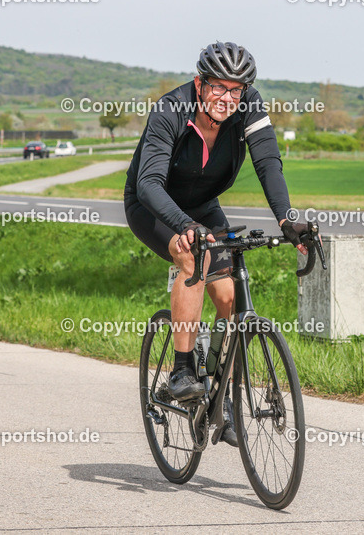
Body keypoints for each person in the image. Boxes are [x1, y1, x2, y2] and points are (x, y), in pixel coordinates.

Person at [124, 42, 308, 447]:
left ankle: (219, 394)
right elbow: (149, 184)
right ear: (199, 83)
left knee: (227, 295)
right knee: (189, 256)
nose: (227, 98)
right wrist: (183, 225)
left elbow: (267, 162)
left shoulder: (248, 105)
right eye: (218, 88)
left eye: (235, 90)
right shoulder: (170, 110)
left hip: (203, 206)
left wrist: (286, 217)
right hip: (153, 205)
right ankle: (183, 370)